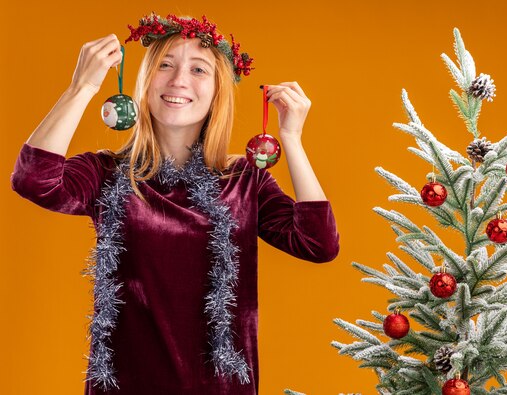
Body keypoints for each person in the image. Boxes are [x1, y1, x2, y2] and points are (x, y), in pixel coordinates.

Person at [10, 13, 339, 395]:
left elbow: (319, 244)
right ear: (144, 82)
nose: (178, 80)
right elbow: (34, 180)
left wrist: (292, 139)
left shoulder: (243, 180)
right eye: (165, 64)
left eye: (198, 69)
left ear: (218, 91)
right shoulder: (107, 172)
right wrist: (81, 87)